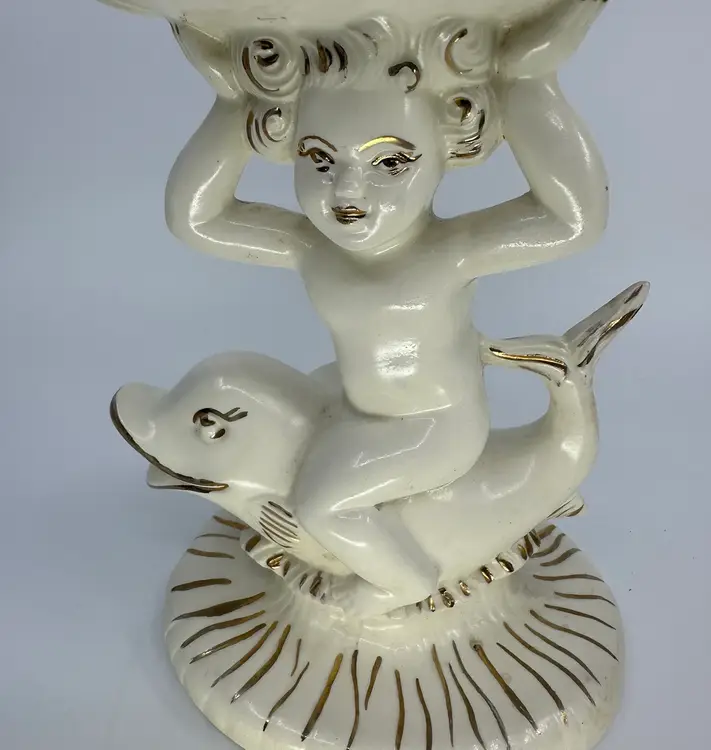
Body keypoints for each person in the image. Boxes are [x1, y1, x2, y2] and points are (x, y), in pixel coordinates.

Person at [165, 3, 609, 616]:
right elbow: (196, 219)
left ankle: (403, 582)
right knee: (274, 414)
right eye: (319, 159)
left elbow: (573, 219)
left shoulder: (447, 254)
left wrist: (528, 82)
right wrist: (234, 103)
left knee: (321, 503)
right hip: (352, 401)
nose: (346, 192)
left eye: (390, 163)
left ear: (447, 147)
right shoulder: (311, 248)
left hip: (433, 426)